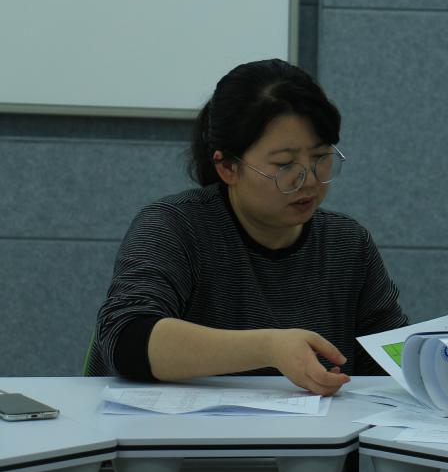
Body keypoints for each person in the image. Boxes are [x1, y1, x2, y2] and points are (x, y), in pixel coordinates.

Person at [86, 59, 408, 397]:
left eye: (320, 157)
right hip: (177, 428)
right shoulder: (174, 226)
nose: (309, 180)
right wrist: (268, 348)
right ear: (227, 167)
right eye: (284, 164)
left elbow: (390, 369)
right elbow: (127, 338)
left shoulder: (347, 244)